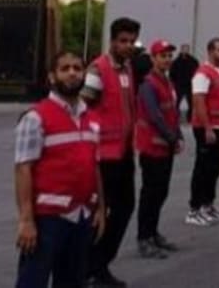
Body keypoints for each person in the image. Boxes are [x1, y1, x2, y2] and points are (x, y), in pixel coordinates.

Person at [14, 51, 106, 288]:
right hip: (48, 219)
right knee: (32, 282)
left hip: (82, 216)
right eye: (65, 69)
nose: (73, 73)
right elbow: (23, 169)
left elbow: (94, 166)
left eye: (77, 68)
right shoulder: (36, 117)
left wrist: (99, 209)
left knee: (73, 282)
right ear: (52, 77)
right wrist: (26, 221)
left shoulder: (91, 118)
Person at [82, 17, 140, 287]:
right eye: (123, 41)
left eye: (131, 41)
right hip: (103, 155)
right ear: (113, 41)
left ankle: (99, 264)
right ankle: (89, 268)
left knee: (125, 207)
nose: (128, 46)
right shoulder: (98, 69)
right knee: (100, 214)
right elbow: (82, 107)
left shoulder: (127, 69)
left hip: (124, 152)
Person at [134, 40, 182, 259]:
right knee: (150, 194)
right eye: (163, 56)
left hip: (165, 148)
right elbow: (154, 116)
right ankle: (144, 238)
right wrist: (172, 138)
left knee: (161, 192)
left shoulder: (168, 82)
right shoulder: (148, 84)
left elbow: (172, 111)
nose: (167, 59)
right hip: (152, 148)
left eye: (169, 56)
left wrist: (178, 134)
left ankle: (153, 233)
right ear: (153, 59)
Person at [186, 38, 219, 227]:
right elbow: (198, 101)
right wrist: (207, 127)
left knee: (215, 168)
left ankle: (208, 204)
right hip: (207, 128)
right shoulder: (202, 73)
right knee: (203, 168)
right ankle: (194, 209)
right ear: (210, 52)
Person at [169, 44, 198, 123]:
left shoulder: (193, 61)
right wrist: (173, 82)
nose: (185, 50)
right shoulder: (176, 62)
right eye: (183, 49)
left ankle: (190, 119)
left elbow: (197, 72)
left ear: (188, 50)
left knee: (191, 103)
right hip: (179, 85)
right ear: (181, 50)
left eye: (186, 49)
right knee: (176, 103)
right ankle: (174, 118)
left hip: (190, 85)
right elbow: (172, 73)